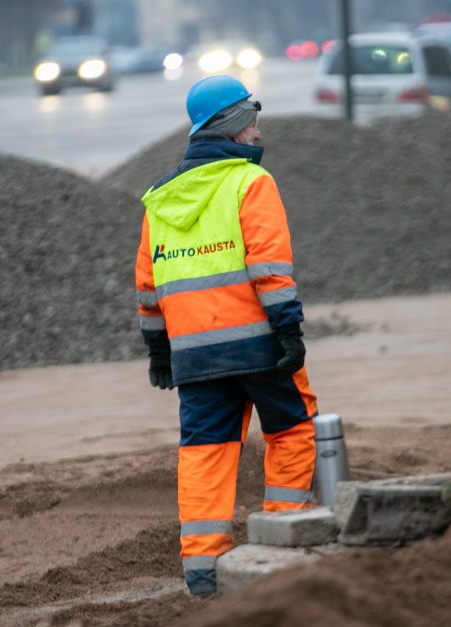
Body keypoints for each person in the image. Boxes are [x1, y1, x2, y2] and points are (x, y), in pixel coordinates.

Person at [134, 75, 317, 597]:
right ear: (236, 128)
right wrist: (289, 331)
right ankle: (284, 545)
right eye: (253, 122)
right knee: (293, 430)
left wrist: (159, 350)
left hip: (193, 355)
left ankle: (204, 575)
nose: (259, 134)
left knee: (205, 452)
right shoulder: (250, 183)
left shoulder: (160, 200)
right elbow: (269, 268)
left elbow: (148, 288)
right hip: (259, 344)